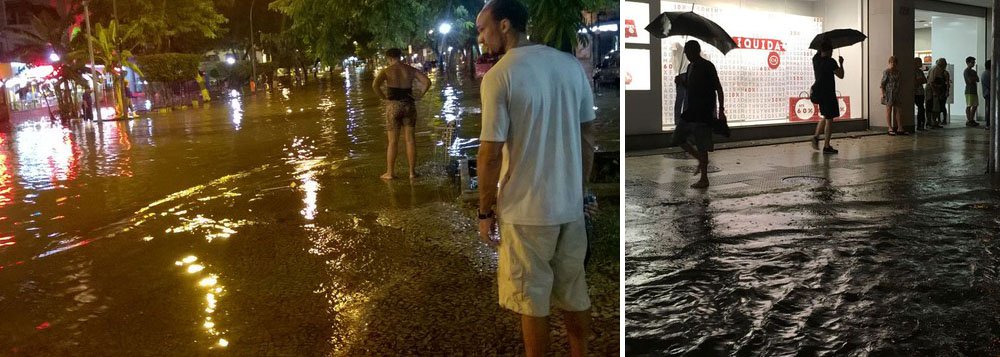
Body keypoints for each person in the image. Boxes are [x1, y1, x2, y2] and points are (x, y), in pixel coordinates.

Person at [474, 0, 596, 355]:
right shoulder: (570, 65)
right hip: (569, 208)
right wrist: (581, 190)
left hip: (526, 213)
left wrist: (485, 212)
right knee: (575, 292)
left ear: (505, 25)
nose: (481, 37)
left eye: (483, 28)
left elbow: (490, 154)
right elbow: (588, 136)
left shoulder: (500, 76)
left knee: (531, 301)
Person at [672, 40, 725, 188]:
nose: (687, 56)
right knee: (678, 138)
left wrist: (721, 110)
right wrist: (681, 82)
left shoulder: (707, 66)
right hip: (691, 110)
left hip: (704, 111)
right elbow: (691, 88)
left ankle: (704, 178)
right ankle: (699, 159)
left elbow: (718, 89)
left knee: (702, 145)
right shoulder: (690, 67)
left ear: (696, 51)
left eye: (689, 53)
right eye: (686, 53)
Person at [372, 48, 431, 180]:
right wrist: (420, 94)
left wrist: (384, 98)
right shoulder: (410, 69)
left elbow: (375, 85)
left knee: (392, 141)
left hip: (393, 107)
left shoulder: (386, 71)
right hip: (409, 105)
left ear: (389, 58)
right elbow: (427, 82)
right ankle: (412, 173)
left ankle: (390, 173)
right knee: (410, 140)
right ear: (400, 56)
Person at [810, 40, 843, 153]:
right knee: (829, 119)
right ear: (829, 51)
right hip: (828, 94)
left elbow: (819, 52)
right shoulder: (831, 62)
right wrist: (841, 63)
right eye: (832, 50)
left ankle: (816, 136)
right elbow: (841, 75)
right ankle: (827, 146)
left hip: (819, 93)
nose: (832, 52)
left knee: (825, 116)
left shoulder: (815, 59)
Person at [881, 56, 907, 135]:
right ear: (889, 63)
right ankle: (889, 127)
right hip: (889, 93)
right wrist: (883, 94)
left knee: (899, 110)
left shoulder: (898, 72)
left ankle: (900, 127)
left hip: (897, 93)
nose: (893, 64)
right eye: (891, 62)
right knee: (889, 110)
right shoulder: (886, 72)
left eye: (894, 62)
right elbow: (882, 83)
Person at [927, 58, 951, 128]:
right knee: (932, 106)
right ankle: (931, 122)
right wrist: (935, 91)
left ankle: (935, 122)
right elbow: (931, 82)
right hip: (933, 91)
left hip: (939, 91)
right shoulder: (935, 70)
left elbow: (946, 82)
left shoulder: (943, 71)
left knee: (938, 107)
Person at [964, 56, 981, 127]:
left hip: (974, 90)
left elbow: (978, 79)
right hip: (969, 90)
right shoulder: (966, 71)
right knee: (969, 105)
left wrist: (973, 78)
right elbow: (970, 81)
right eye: (972, 62)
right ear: (967, 63)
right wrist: (973, 78)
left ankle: (972, 119)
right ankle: (969, 120)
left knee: (975, 105)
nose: (973, 64)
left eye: (974, 62)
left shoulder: (973, 71)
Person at [914, 58, 928, 131]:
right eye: (920, 62)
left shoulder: (920, 71)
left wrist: (919, 81)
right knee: (920, 108)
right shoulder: (912, 71)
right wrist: (920, 80)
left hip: (921, 92)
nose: (921, 63)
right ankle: (919, 125)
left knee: (922, 108)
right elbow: (914, 82)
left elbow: (925, 80)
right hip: (915, 93)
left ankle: (921, 124)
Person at [982, 59, 992, 129]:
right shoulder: (989, 73)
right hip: (989, 93)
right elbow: (991, 84)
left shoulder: (984, 73)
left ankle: (988, 124)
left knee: (988, 108)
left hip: (986, 93)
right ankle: (988, 124)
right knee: (989, 108)